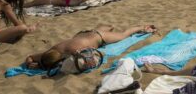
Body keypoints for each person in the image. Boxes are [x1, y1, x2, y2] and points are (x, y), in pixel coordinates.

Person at [24, 24, 157, 70]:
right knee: (103, 29)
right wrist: (32, 63)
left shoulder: (71, 54)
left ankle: (141, 26)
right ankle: (109, 27)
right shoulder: (52, 50)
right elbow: (29, 57)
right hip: (82, 34)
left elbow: (89, 60)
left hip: (100, 37)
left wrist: (39, 65)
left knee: (123, 35)